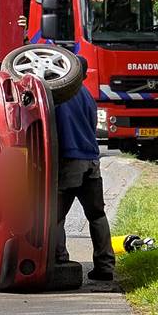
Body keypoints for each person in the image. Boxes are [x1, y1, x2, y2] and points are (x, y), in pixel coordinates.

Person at [51, 71, 117, 283]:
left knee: (55, 216)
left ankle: (59, 261)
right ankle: (105, 266)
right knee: (96, 215)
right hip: (91, 160)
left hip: (70, 160)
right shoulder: (87, 95)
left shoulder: (58, 95)